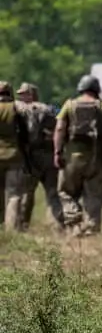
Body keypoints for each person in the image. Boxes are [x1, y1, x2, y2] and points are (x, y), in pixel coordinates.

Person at [54, 74, 102, 236]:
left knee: (66, 192)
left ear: (80, 88)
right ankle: (91, 229)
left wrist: (57, 152)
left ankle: (74, 222)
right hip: (97, 160)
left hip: (72, 160)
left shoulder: (69, 105)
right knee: (94, 196)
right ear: (97, 89)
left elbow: (60, 129)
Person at [15, 82, 64, 230]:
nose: (22, 97)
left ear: (31, 95)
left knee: (27, 193)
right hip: (50, 157)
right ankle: (57, 225)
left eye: (24, 94)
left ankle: (23, 225)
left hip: (32, 158)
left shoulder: (22, 110)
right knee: (52, 193)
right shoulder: (51, 109)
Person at [0, 81, 33, 230]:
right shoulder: (16, 108)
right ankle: (11, 228)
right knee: (13, 195)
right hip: (14, 156)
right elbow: (25, 135)